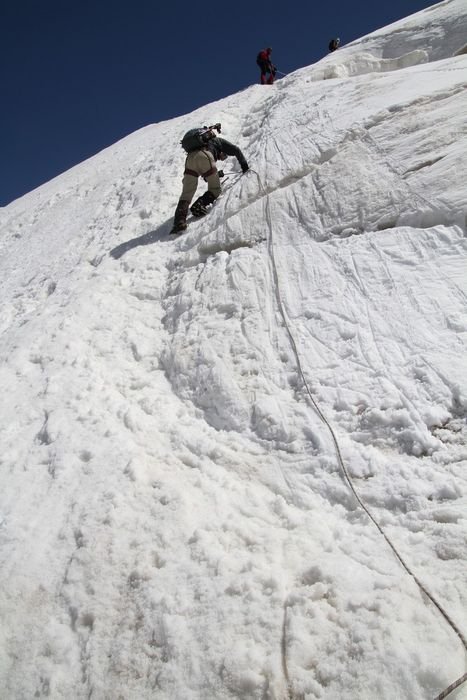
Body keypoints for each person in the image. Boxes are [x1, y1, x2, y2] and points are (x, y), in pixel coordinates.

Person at [170, 125, 249, 234]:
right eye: (223, 156)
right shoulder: (218, 141)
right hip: (204, 155)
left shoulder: (201, 144)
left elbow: (206, 174)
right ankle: (199, 204)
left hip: (190, 160)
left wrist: (217, 175)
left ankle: (179, 222)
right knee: (215, 189)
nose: (222, 158)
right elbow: (236, 150)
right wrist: (245, 167)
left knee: (187, 193)